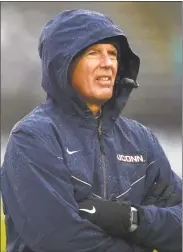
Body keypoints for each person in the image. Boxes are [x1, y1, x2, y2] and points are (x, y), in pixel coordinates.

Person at [1, 9, 181, 252]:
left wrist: (131, 218)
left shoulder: (140, 140)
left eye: (113, 54)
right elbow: (58, 240)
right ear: (61, 62)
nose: (107, 63)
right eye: (93, 53)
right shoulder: (33, 138)